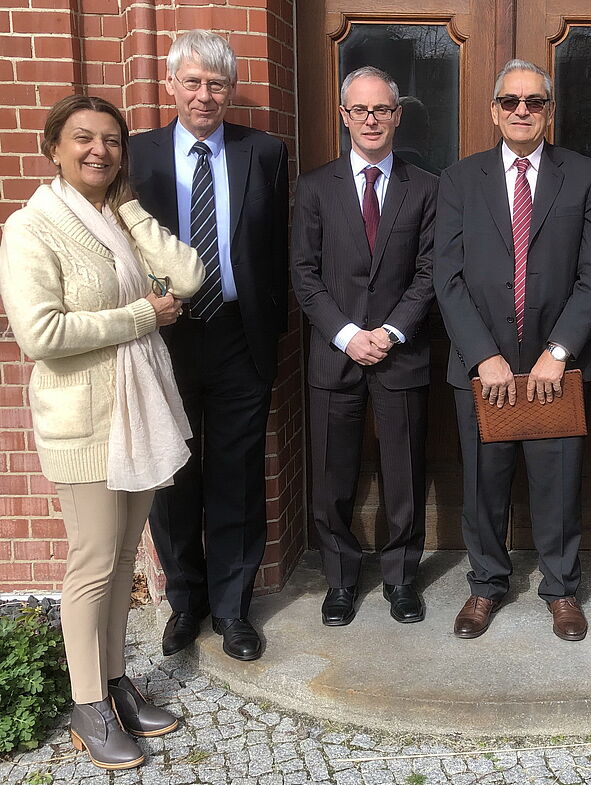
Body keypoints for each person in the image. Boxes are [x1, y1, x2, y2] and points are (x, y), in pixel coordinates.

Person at [0, 95, 204, 769]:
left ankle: (115, 684)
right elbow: (43, 335)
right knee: (91, 563)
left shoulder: (113, 218)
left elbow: (189, 275)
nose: (99, 151)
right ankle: (89, 705)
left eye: (112, 141)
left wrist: (131, 208)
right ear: (52, 146)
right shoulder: (32, 228)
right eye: (83, 139)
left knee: (121, 559)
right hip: (84, 422)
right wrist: (142, 315)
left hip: (136, 414)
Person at [434, 59, 591, 641]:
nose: (522, 111)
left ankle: (561, 588)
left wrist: (559, 350)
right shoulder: (460, 179)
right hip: (482, 364)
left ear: (549, 112)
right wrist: (483, 354)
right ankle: (486, 586)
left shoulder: (584, 176)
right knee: (484, 483)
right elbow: (447, 276)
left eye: (534, 102)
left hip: (552, 364)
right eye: (510, 101)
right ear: (493, 111)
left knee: (558, 483)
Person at [130, 30, 289, 662]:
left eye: (216, 84)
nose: (204, 95)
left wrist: (268, 328)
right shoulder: (137, 156)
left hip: (236, 335)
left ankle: (232, 608)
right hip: (163, 336)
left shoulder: (264, 152)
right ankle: (185, 602)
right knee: (171, 475)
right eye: (193, 82)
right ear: (172, 85)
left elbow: (273, 247)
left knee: (238, 476)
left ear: (230, 91)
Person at [291, 66, 437, 626]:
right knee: (332, 477)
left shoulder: (426, 186)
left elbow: (429, 271)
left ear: (397, 115)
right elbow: (304, 273)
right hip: (336, 355)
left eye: (382, 109)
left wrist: (390, 331)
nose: (371, 119)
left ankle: (401, 579)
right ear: (345, 116)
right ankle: (342, 581)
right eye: (360, 110)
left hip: (401, 354)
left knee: (404, 474)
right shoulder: (315, 186)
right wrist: (349, 334)